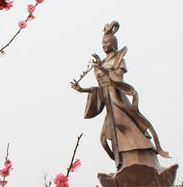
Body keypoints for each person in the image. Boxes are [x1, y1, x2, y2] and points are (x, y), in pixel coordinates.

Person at [71, 21, 170, 170]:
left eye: (107, 42)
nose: (104, 45)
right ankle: (120, 163)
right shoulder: (101, 63)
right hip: (107, 101)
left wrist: (103, 69)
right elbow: (99, 88)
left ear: (114, 44)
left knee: (124, 125)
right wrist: (81, 89)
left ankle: (144, 153)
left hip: (116, 99)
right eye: (102, 42)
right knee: (103, 139)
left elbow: (118, 79)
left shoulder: (119, 60)